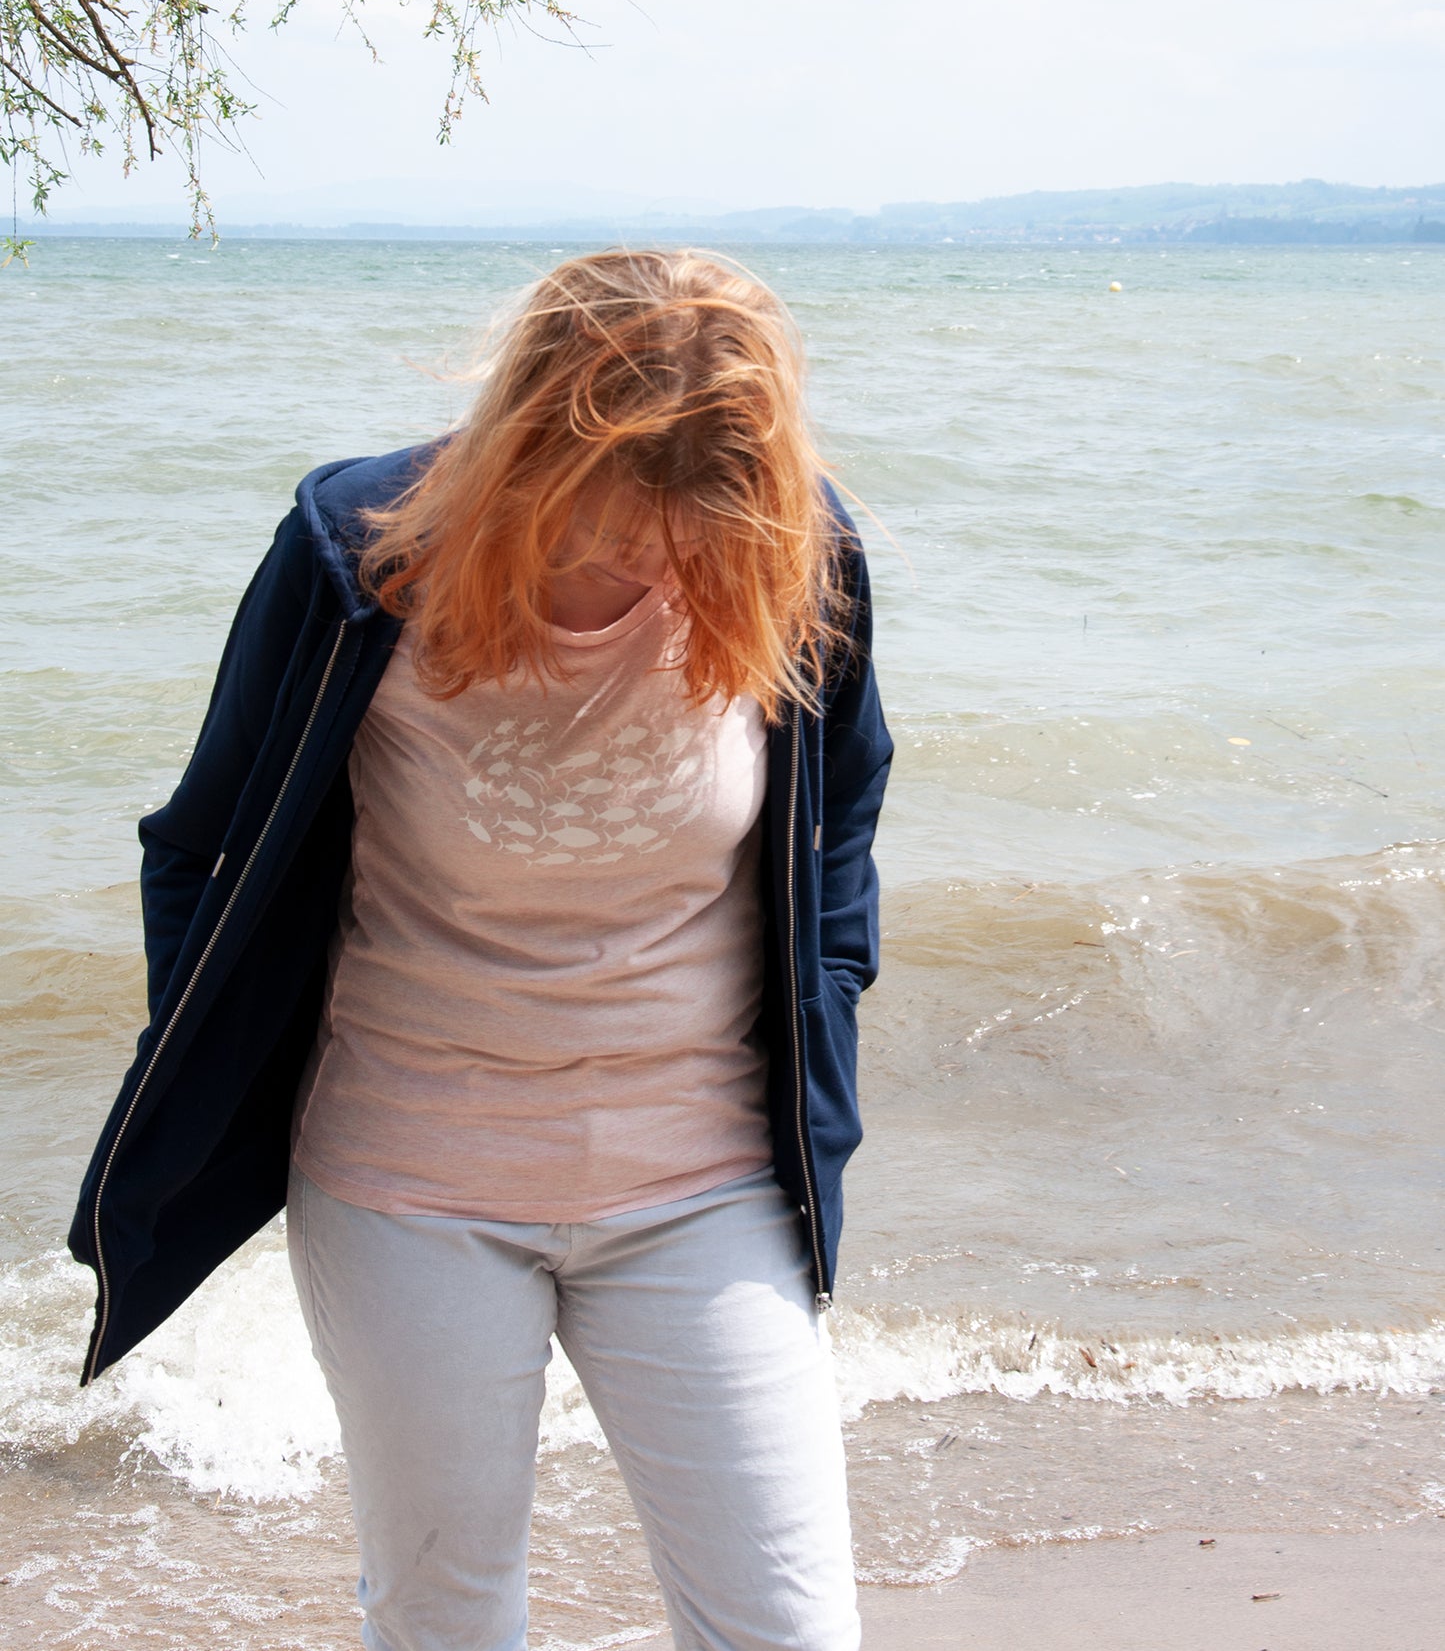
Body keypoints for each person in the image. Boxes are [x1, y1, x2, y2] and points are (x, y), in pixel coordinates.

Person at [70, 248, 892, 1651]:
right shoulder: (359, 554)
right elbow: (199, 841)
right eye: (626, 504)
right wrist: (207, 1069)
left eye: (697, 506)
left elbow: (836, 834)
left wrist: (830, 1008)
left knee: (788, 1630)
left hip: (702, 1185)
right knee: (446, 1619)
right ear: (533, 437)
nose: (657, 549)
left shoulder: (784, 543)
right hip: (408, 1183)